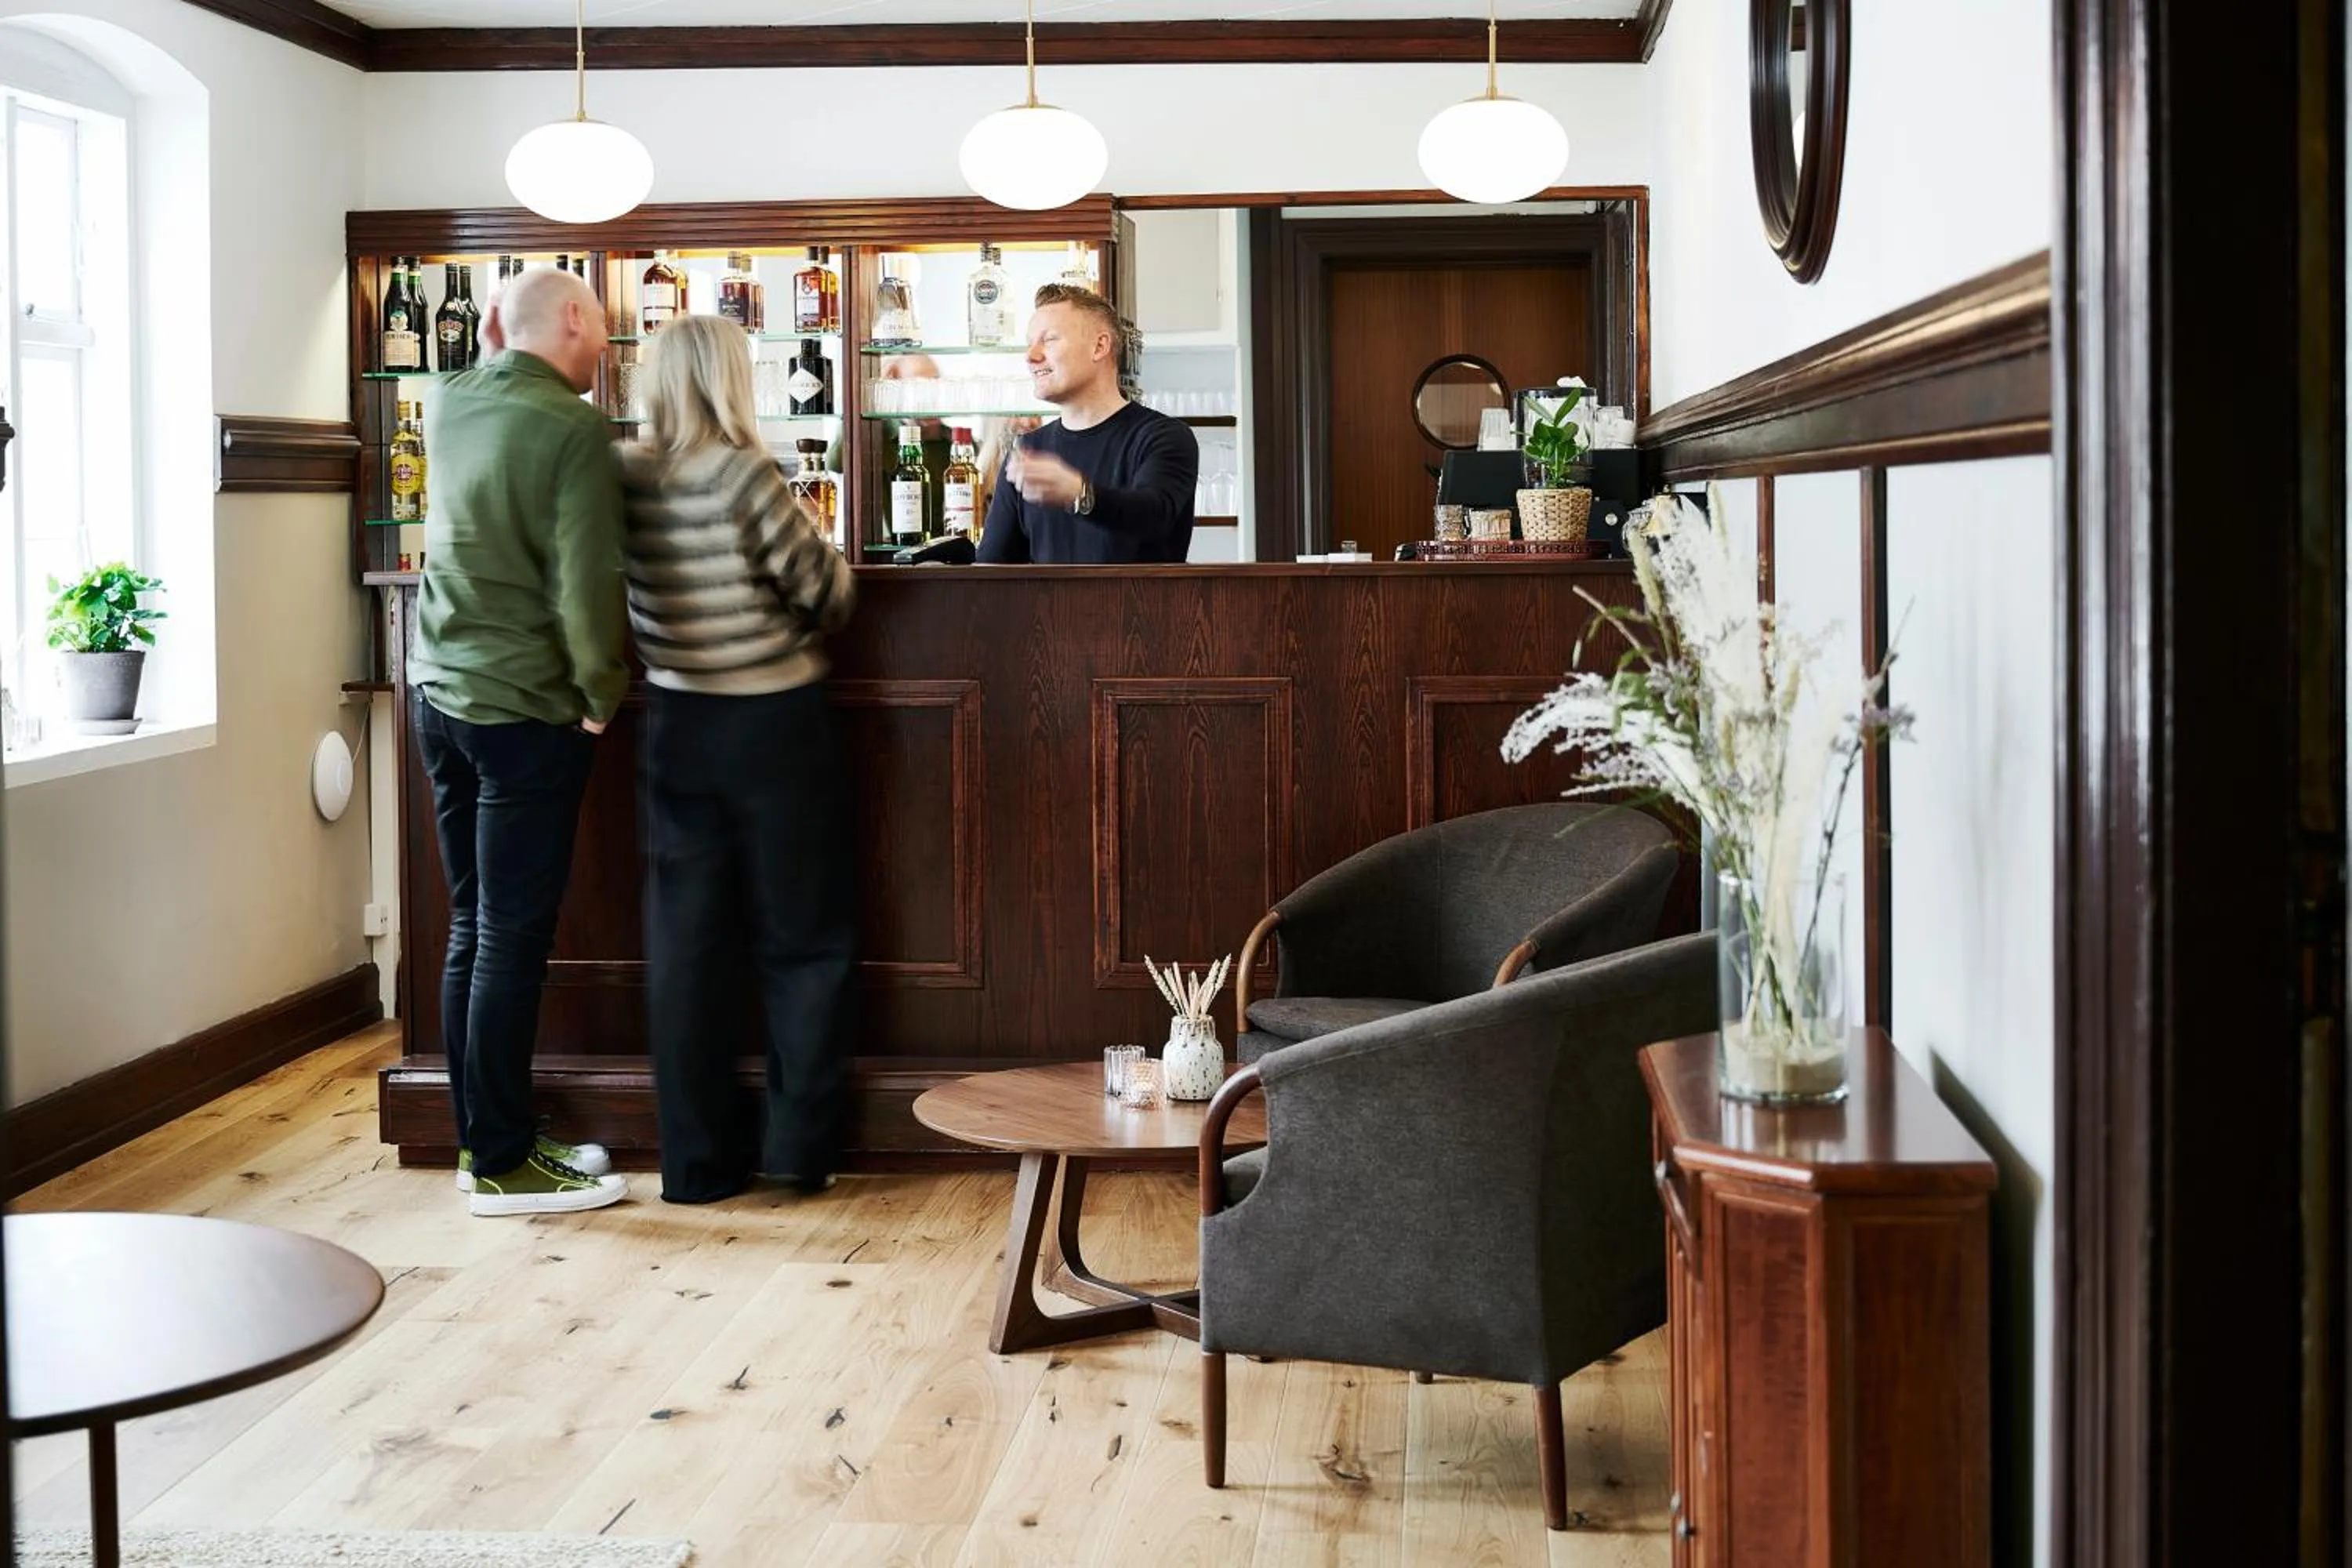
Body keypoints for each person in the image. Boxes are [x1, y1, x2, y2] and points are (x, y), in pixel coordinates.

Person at [619, 315, 859, 1204]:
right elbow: (827, 594)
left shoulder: (627, 474)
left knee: (686, 949)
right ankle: (798, 1148)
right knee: (803, 940)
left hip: (676, 718)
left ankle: (696, 1165)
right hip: (773, 722)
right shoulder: (743, 472)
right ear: (731, 379)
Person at [408, 264, 630, 1218]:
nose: (610, 349)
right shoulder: (575, 428)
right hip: (521, 711)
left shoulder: (447, 395)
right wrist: (601, 693)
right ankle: (500, 1162)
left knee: (471, 925)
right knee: (509, 937)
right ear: (575, 319)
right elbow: (587, 581)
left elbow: (498, 345)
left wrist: (505, 322)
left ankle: (480, 1138)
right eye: (606, 329)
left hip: (437, 696)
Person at [976, 285, 1198, 564]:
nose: (1031, 356)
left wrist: (1079, 494)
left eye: (1050, 339)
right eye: (1030, 343)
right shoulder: (1028, 448)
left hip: (1140, 608)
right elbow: (993, 566)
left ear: (1100, 346)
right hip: (1050, 609)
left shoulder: (1162, 437)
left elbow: (1154, 517)